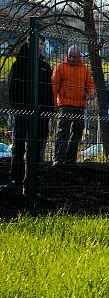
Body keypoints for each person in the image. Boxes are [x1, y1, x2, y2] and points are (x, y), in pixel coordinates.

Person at [7, 35, 54, 197]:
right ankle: (15, 182)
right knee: (19, 147)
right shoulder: (19, 64)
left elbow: (49, 91)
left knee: (35, 150)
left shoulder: (44, 67)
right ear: (29, 44)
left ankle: (30, 184)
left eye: (42, 43)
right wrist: (19, 108)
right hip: (22, 113)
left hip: (41, 115)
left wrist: (49, 110)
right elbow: (13, 88)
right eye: (38, 43)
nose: (40, 46)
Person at [52, 45, 95, 164]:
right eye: (69, 56)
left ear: (79, 57)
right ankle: (59, 158)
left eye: (74, 57)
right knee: (63, 131)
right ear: (67, 55)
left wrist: (90, 93)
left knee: (78, 132)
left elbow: (90, 84)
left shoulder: (85, 69)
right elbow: (54, 86)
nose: (71, 59)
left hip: (80, 106)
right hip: (65, 105)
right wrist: (55, 103)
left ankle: (71, 159)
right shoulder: (60, 67)